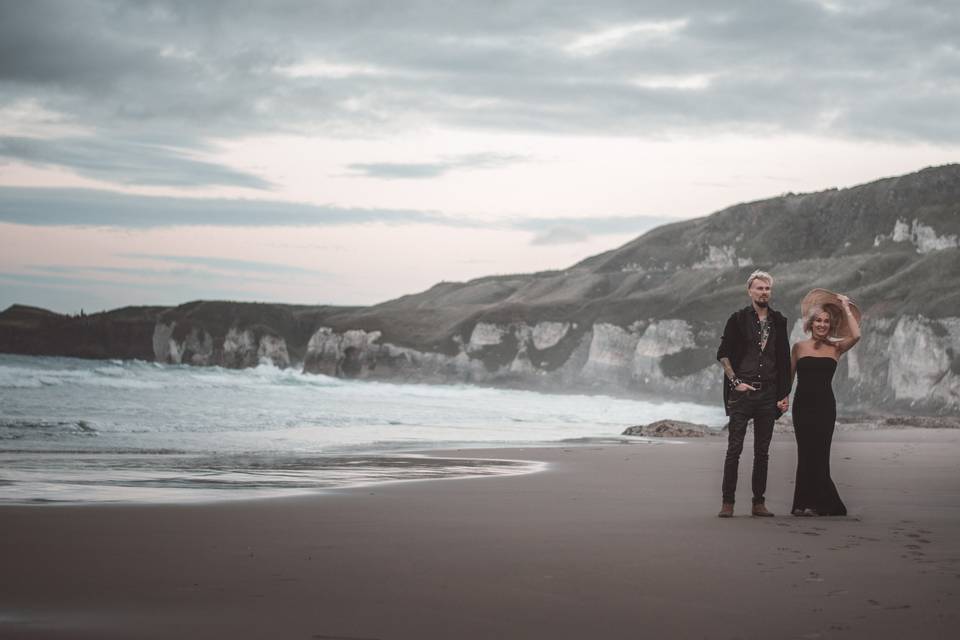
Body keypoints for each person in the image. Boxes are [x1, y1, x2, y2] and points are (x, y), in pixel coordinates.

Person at [716, 271, 792, 518]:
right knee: (734, 449)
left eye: (767, 288)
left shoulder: (779, 321)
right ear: (749, 291)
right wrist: (735, 381)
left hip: (768, 394)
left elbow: (783, 359)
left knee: (762, 451)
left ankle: (758, 503)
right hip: (741, 393)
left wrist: (784, 394)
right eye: (759, 288)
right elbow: (723, 354)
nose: (764, 292)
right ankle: (728, 503)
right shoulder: (737, 319)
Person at [790, 289, 861, 516]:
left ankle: (819, 504)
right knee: (805, 453)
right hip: (801, 407)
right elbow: (789, 379)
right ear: (811, 323)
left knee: (820, 454)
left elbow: (856, 335)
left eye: (826, 322)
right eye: (818, 321)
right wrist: (781, 399)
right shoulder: (799, 348)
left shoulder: (836, 348)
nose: (822, 325)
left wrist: (846, 308)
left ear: (831, 325)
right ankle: (802, 504)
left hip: (825, 408)